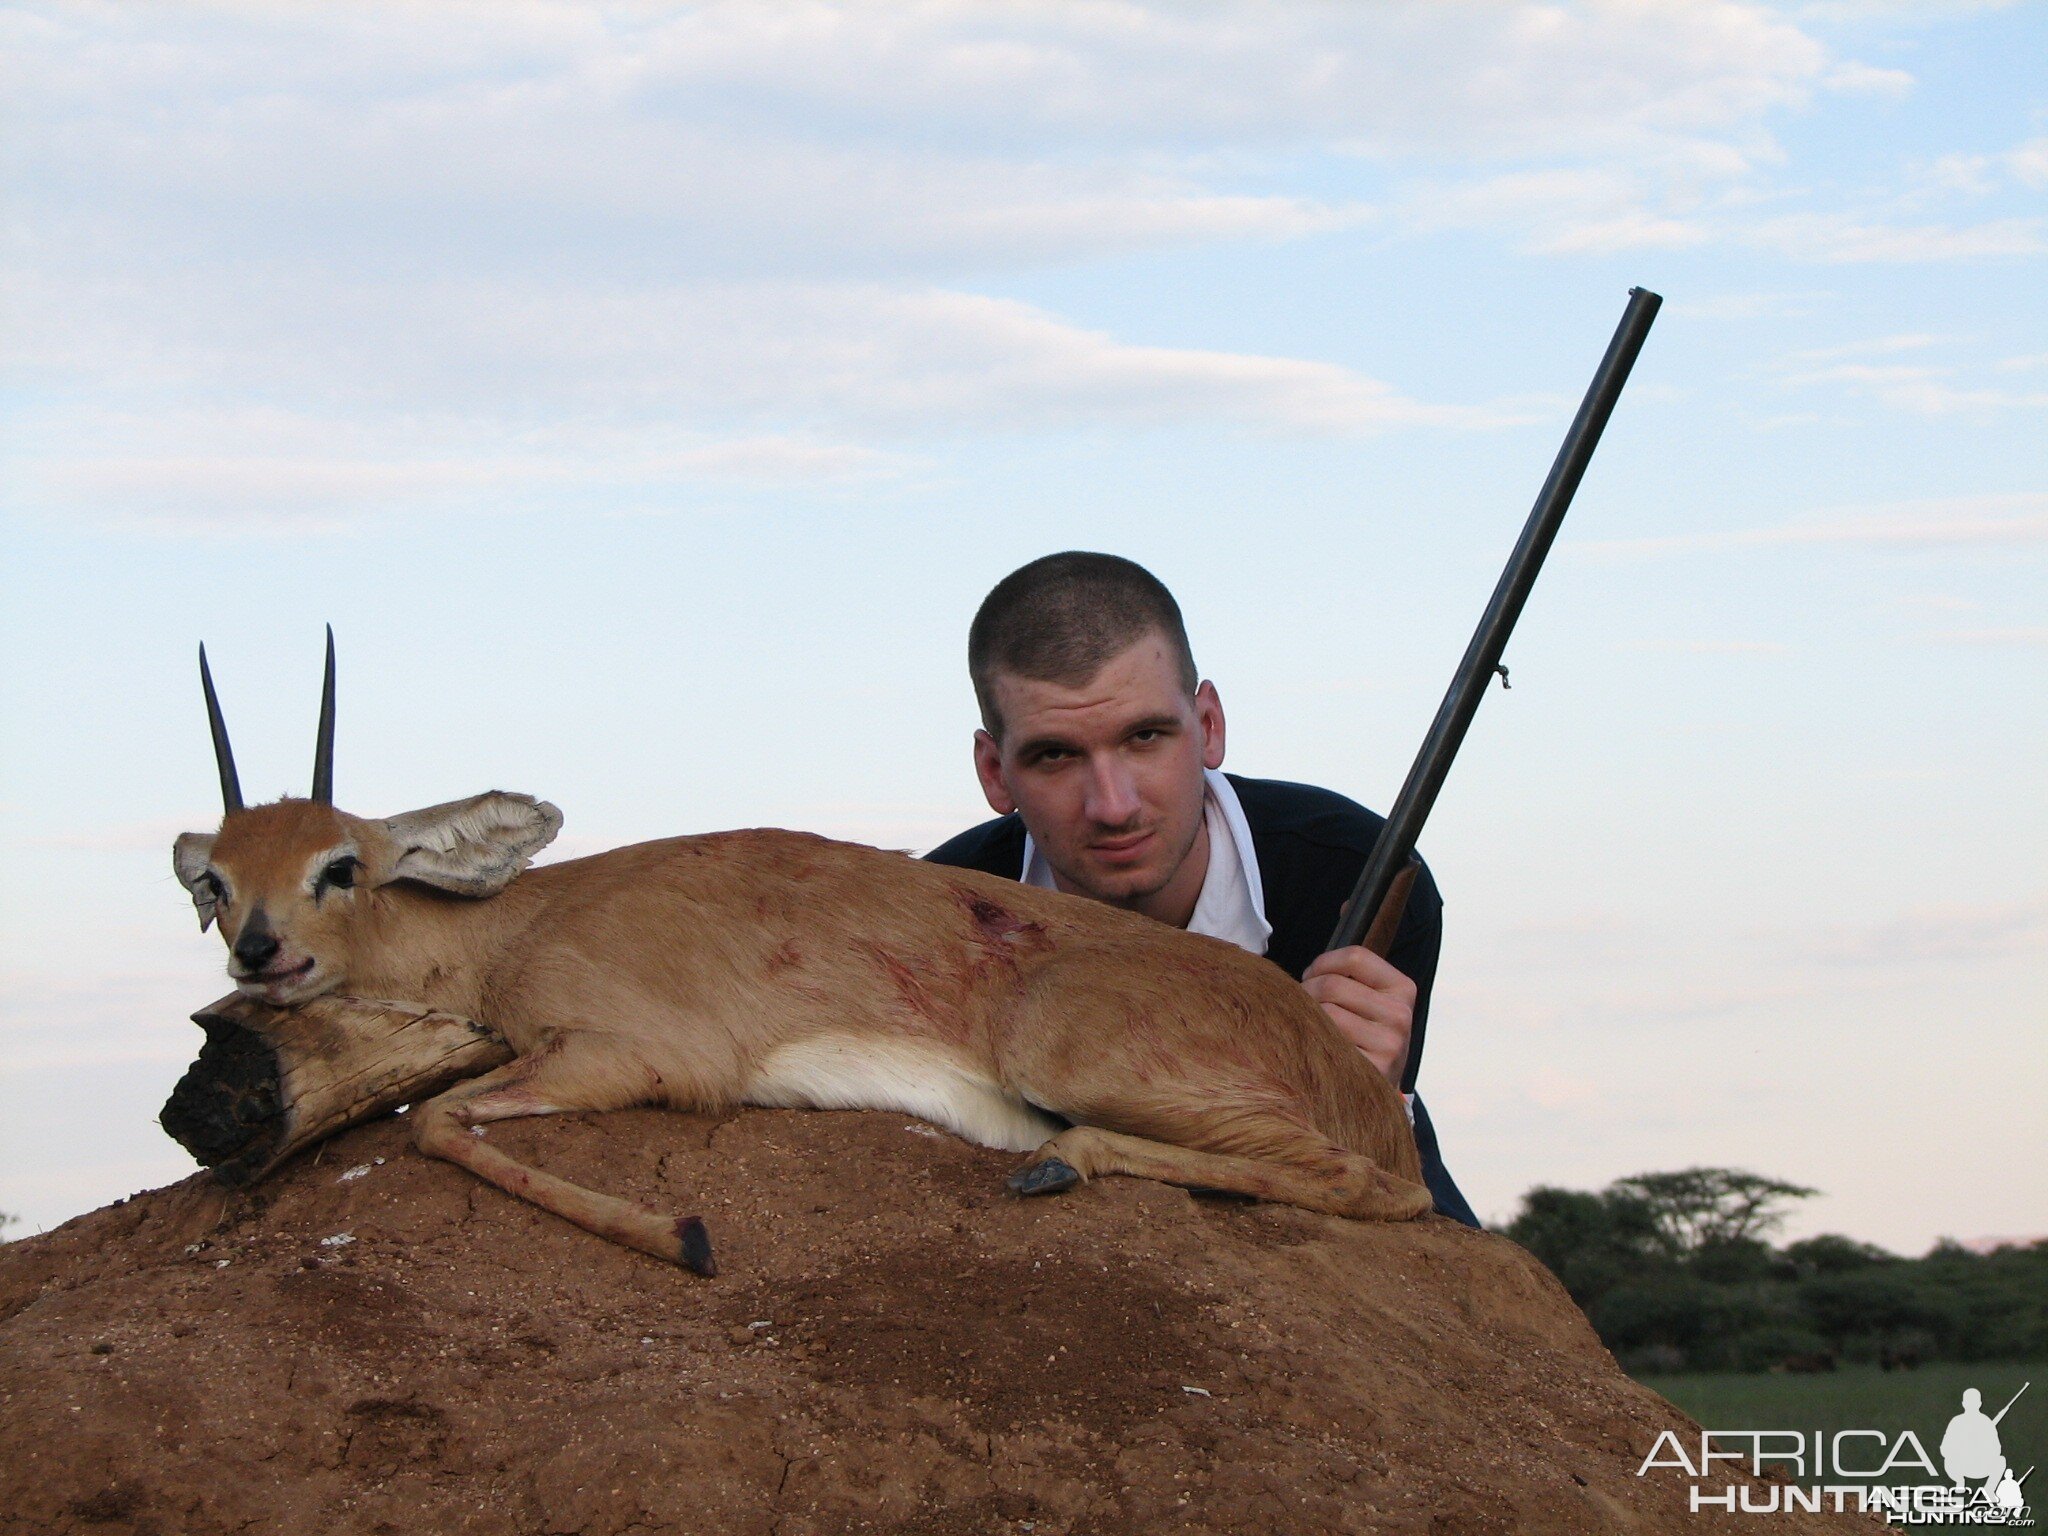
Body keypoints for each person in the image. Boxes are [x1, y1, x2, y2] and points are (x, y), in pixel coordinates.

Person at [925, 552, 1479, 1226]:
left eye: (1146, 736)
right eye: (1056, 755)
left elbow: (1377, 1166)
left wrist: (1378, 1091)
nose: (1113, 804)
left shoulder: (1353, 869)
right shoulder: (941, 918)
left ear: (1209, 726)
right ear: (994, 773)